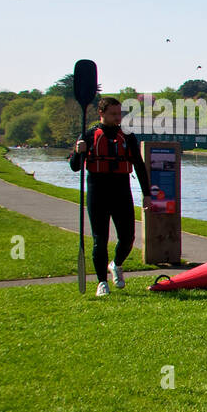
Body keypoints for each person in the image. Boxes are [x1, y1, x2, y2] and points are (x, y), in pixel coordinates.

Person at [69, 97, 151, 296]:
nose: (118, 118)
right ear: (102, 114)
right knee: (100, 239)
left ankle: (116, 264)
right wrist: (78, 152)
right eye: (113, 114)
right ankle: (102, 282)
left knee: (127, 238)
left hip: (121, 191)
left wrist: (147, 194)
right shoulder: (89, 136)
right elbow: (74, 167)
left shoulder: (128, 137)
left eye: (119, 113)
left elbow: (139, 166)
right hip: (98, 191)